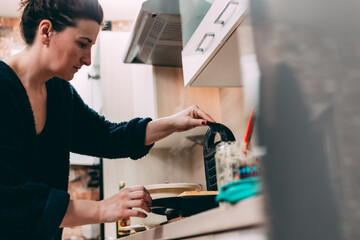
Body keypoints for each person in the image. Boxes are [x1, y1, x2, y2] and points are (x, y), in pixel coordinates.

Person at [0, 0, 215, 239]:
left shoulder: (60, 93)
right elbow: (8, 198)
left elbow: (105, 137)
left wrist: (173, 122)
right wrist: (101, 208)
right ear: (46, 31)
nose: (88, 59)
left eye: (91, 46)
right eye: (82, 44)